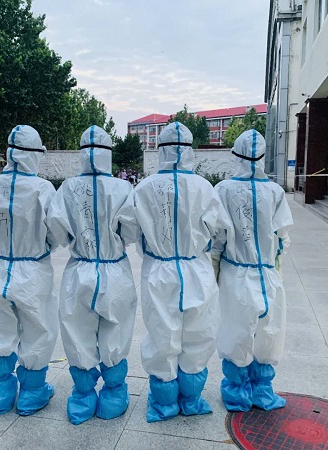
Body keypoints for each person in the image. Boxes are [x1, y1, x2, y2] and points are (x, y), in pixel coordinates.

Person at [133, 121, 231, 423]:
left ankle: (164, 403)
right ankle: (191, 399)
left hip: (159, 270)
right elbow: (219, 230)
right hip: (196, 268)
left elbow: (132, 232)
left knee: (162, 334)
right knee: (198, 334)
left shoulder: (144, 187)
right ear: (190, 150)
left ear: (159, 150)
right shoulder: (205, 188)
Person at [47, 125, 138, 425]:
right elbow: (131, 231)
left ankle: (83, 398)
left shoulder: (67, 188)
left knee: (77, 333)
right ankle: (113, 394)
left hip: (80, 268)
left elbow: (57, 231)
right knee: (116, 330)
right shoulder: (123, 189)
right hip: (115, 269)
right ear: (108, 154)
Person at [0, 125, 58, 416]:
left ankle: (0, 394)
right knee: (38, 329)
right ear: (34, 154)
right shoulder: (42, 189)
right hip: (33, 269)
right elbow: (55, 232)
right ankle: (32, 393)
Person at [211, 129, 293, 412]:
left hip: (235, 273)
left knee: (236, 332)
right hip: (267, 274)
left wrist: (214, 269)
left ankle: (237, 393)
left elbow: (217, 239)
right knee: (268, 332)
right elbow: (282, 238)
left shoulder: (223, 190)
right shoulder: (275, 192)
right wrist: (274, 265)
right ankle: (262, 391)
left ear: (236, 156)